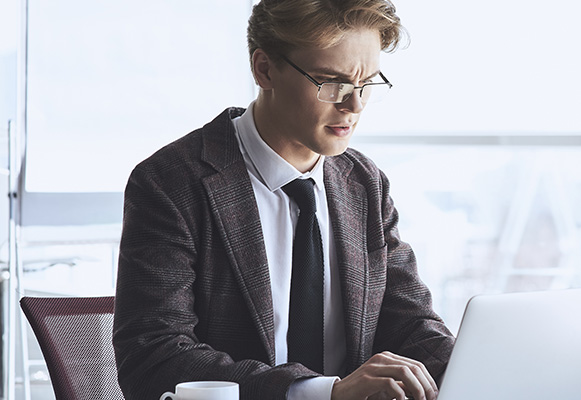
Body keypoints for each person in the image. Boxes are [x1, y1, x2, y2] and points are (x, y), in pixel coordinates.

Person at [112, 1, 455, 399]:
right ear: (264, 69)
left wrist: (476, 370)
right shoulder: (173, 182)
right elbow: (153, 358)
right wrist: (322, 392)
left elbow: (410, 324)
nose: (354, 106)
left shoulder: (365, 183)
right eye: (332, 83)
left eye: (366, 84)